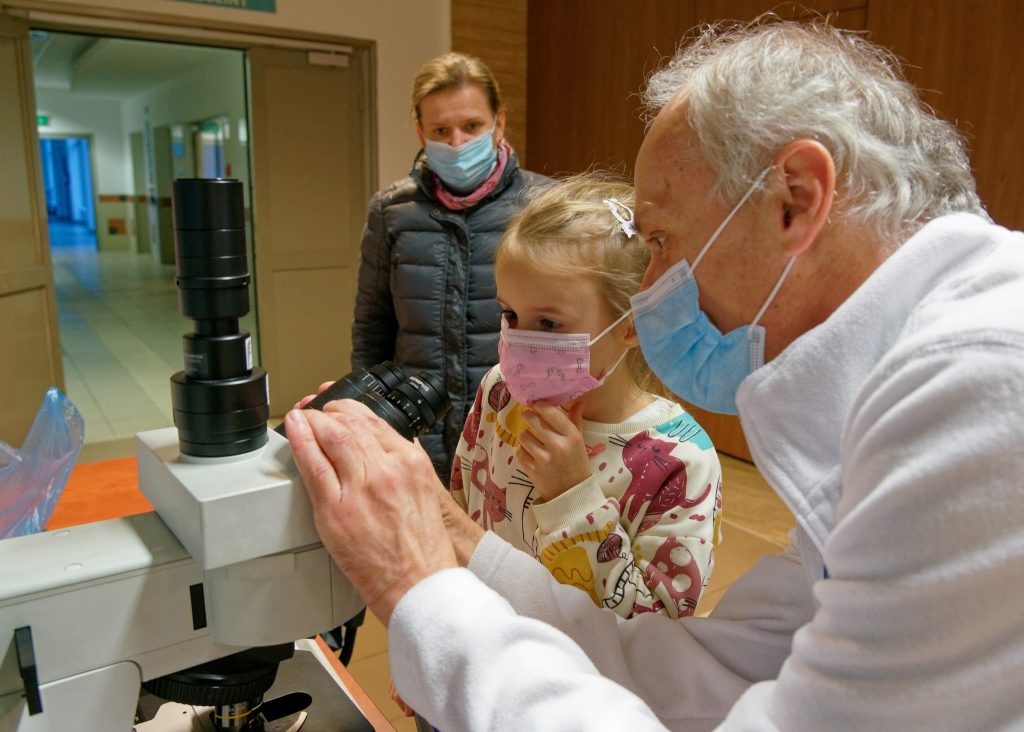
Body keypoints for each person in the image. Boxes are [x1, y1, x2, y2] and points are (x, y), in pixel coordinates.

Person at [287, 19, 1024, 731]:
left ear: (795, 199)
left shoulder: (979, 389)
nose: (649, 287)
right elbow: (711, 675)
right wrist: (444, 533)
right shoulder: (892, 404)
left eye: (664, 241)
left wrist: (420, 593)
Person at [451, 174, 722, 619]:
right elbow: (461, 518)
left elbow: (657, 627)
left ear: (633, 325)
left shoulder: (681, 463)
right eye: (510, 314)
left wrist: (572, 496)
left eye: (549, 324)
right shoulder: (500, 393)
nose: (518, 342)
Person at [350, 52, 548, 481]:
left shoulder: (542, 206)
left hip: (516, 433)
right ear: (421, 132)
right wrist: (374, 422)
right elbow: (372, 331)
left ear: (499, 123)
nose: (457, 142)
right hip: (421, 438)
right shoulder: (392, 212)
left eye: (472, 126)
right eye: (441, 130)